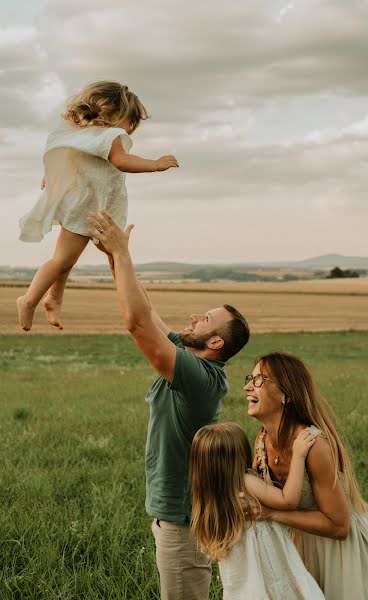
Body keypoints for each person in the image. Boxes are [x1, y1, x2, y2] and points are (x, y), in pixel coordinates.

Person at [87, 209, 250, 600]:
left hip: (183, 523)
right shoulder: (191, 359)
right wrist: (115, 258)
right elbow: (148, 311)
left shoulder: (200, 379)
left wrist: (123, 256)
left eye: (206, 318)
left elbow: (138, 325)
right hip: (174, 518)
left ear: (216, 344)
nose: (195, 316)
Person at [17, 80, 178, 331]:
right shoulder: (111, 135)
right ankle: (28, 300)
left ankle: (53, 299)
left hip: (81, 205)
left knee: (67, 260)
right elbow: (122, 161)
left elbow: (66, 157)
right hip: (88, 210)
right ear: (116, 113)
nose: (132, 127)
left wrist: (50, 179)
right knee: (66, 260)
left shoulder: (82, 135)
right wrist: (155, 164)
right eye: (131, 120)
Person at [246, 352, 368, 600]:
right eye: (250, 378)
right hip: (307, 546)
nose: (247, 386)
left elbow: (339, 526)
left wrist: (274, 514)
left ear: (285, 395)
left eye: (260, 379)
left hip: (345, 554)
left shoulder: (313, 445)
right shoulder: (263, 439)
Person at [190, 422, 324, 599]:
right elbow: (288, 500)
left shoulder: (213, 498)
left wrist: (254, 470)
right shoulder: (247, 482)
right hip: (268, 569)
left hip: (243, 578)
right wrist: (298, 456)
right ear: (238, 458)